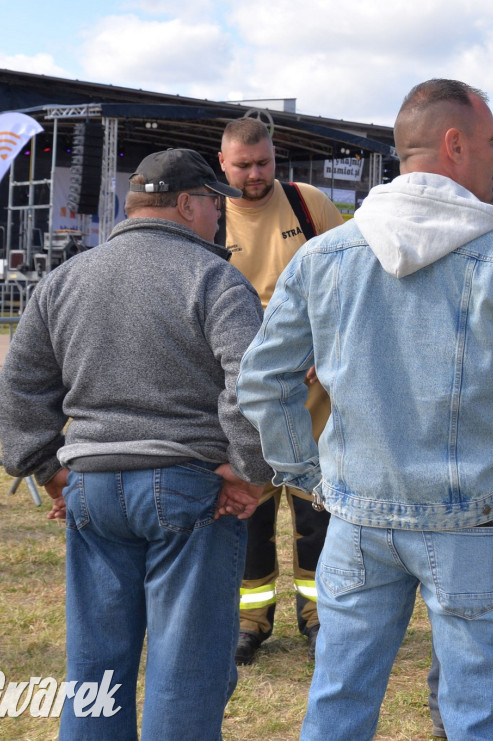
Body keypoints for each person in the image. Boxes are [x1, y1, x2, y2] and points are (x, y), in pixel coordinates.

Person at [237, 78, 493, 741]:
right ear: (455, 143)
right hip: (472, 515)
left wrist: (308, 475)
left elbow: (263, 379)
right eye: (492, 141)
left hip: (358, 514)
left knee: (338, 701)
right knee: (479, 712)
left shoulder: (326, 255)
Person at [0, 148, 269, 740]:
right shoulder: (215, 278)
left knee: (94, 669)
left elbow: (21, 384)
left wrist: (44, 467)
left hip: (92, 488)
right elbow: (253, 381)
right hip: (189, 490)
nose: (219, 216)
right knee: (186, 668)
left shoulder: (65, 279)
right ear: (188, 204)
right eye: (214, 204)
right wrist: (249, 470)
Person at [218, 116, 345, 664]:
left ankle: (321, 618)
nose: (255, 174)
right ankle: (249, 623)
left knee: (318, 519)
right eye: (243, 165)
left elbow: (349, 280)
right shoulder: (209, 215)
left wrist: (326, 347)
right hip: (245, 403)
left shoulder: (307, 205)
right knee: (250, 517)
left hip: (312, 400)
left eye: (264, 162)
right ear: (222, 163)